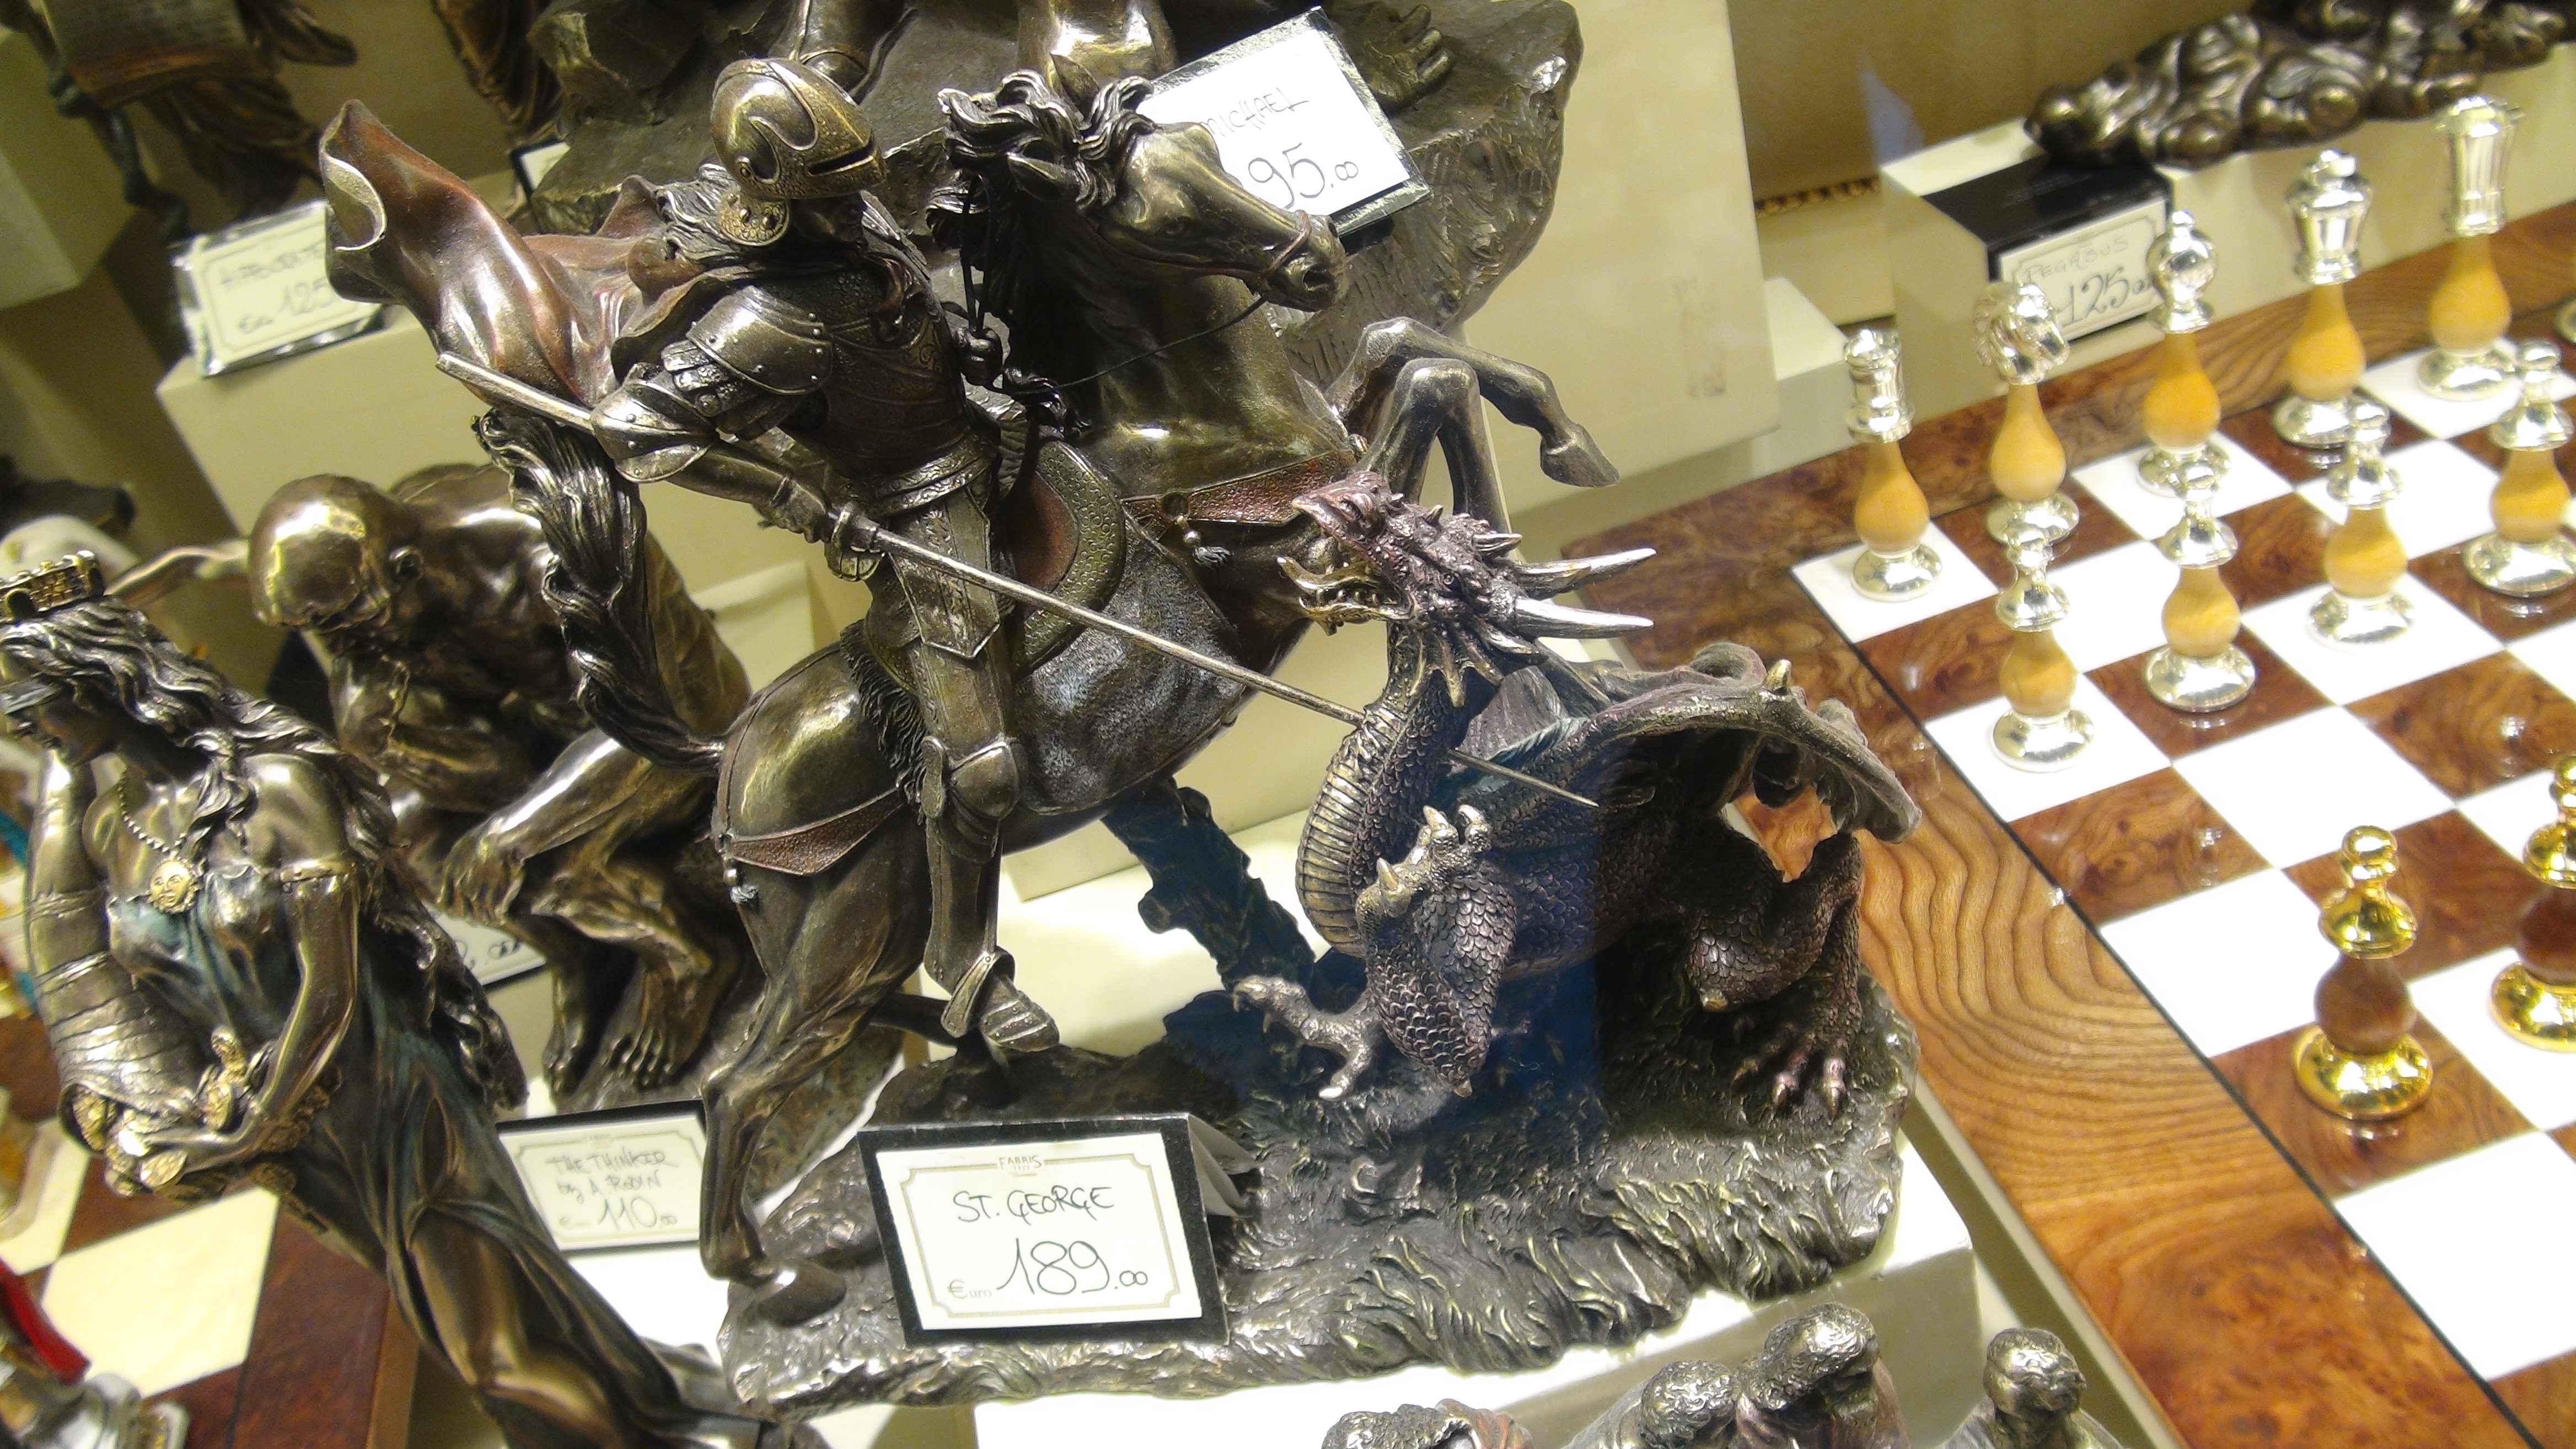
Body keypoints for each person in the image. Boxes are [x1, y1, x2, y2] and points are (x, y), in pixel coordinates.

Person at [3, 554, 782, 1449]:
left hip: (392, 1109)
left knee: (489, 1359)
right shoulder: (113, 829)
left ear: (95, 677)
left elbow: (335, 992)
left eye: (31, 699)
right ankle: (644, 1401)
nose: (21, 723)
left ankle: (655, 1432)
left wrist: (253, 1124)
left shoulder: (276, 791)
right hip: (305, 1151)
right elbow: (90, 964)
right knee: (506, 1329)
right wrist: (205, 1122)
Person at [582, 56, 1051, 1056]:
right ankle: (967, 964)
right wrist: (792, 492)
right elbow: (634, 427)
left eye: (855, 192)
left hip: (999, 432)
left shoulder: (858, 223)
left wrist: (960, 350)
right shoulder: (770, 320)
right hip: (921, 512)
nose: (854, 213)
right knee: (982, 770)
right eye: (830, 202)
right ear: (775, 203)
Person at [120, 464, 750, 1093]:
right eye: (322, 632)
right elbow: (213, 563)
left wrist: (513, 834)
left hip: (674, 731)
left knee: (533, 855)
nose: (345, 649)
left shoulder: (554, 549)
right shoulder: (381, 566)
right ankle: (579, 955)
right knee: (401, 834)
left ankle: (689, 958)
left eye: (348, 623)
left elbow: (651, 723)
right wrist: (388, 744)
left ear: (406, 570)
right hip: (555, 735)